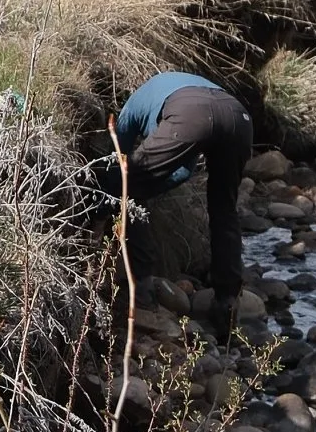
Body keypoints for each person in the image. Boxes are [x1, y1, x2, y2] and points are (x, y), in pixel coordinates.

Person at [105, 72, 253, 343]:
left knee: (125, 186)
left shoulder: (133, 106)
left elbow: (117, 160)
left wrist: (114, 196)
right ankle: (227, 301)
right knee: (224, 209)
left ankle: (141, 288)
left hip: (190, 112)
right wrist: (150, 188)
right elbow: (183, 171)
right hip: (238, 117)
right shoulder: (168, 89)